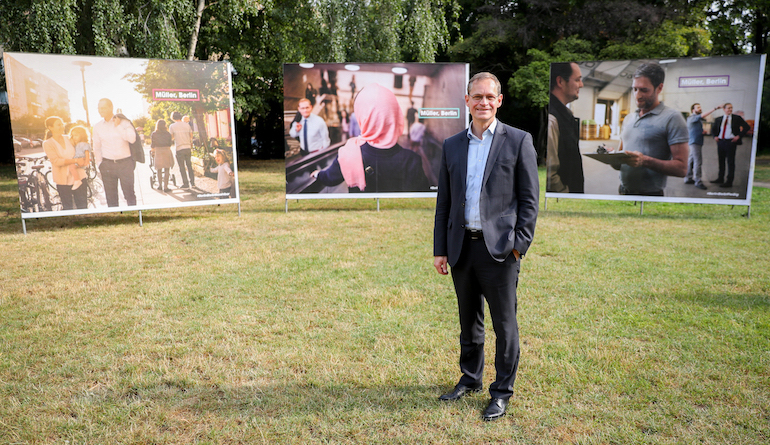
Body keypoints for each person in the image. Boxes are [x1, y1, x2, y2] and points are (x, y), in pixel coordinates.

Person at [433, 72, 539, 421]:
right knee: (469, 321)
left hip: (500, 251)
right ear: (466, 101)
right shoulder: (452, 145)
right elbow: (444, 203)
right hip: (462, 247)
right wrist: (441, 248)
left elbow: (529, 200)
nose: (483, 102)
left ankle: (501, 393)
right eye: (476, 96)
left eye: (489, 97)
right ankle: (470, 378)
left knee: (505, 325)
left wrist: (518, 246)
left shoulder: (519, 141)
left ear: (499, 100)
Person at [310, 83, 429, 193]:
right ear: (395, 115)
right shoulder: (411, 160)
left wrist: (317, 174)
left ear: (361, 116)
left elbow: (330, 178)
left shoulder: (349, 152)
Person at [614, 63, 688, 196]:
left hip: (650, 195)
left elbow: (681, 169)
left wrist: (645, 161)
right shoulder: (629, 118)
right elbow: (620, 161)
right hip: (623, 191)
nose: (637, 95)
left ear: (659, 88)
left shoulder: (672, 118)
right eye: (635, 89)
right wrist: (611, 157)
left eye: (644, 90)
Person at [547, 62, 585, 193]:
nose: (581, 85)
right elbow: (549, 174)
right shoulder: (552, 119)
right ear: (560, 81)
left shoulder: (565, 115)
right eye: (577, 79)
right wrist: (565, 194)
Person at [93, 98, 137, 206]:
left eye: (103, 108)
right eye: (99, 108)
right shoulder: (97, 127)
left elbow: (132, 139)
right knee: (111, 198)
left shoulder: (124, 122)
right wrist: (100, 164)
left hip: (125, 164)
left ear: (111, 107)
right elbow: (97, 147)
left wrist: (119, 127)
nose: (100, 110)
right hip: (107, 165)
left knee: (129, 195)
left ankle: (133, 218)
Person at [42, 116, 88, 210]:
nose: (62, 126)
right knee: (68, 207)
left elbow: (82, 149)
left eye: (62, 124)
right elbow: (56, 161)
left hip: (79, 176)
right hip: (63, 180)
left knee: (83, 206)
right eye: (58, 125)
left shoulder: (69, 138)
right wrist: (75, 160)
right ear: (50, 127)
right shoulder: (48, 143)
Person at [710, 102, 750, 188]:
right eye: (728, 108)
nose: (730, 110)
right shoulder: (718, 119)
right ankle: (720, 178)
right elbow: (713, 129)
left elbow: (747, 127)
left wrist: (738, 136)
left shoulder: (737, 118)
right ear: (724, 109)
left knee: (730, 162)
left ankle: (729, 181)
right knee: (721, 161)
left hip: (730, 142)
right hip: (721, 142)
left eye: (731, 108)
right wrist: (715, 136)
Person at [685, 103, 720, 190]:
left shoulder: (696, 119)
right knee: (698, 161)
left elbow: (694, 129)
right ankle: (698, 181)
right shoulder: (692, 118)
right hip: (695, 142)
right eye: (698, 107)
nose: (700, 108)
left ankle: (688, 178)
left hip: (695, 141)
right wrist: (715, 108)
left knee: (691, 160)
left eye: (700, 107)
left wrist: (702, 131)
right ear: (693, 110)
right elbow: (703, 115)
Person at [169, 111, 195, 188]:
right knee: (189, 165)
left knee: (182, 167)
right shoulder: (187, 125)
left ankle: (185, 183)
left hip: (179, 148)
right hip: (187, 147)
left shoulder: (172, 126)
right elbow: (191, 136)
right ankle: (192, 183)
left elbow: (172, 137)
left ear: (173, 117)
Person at [150, 119, 174, 192]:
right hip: (166, 150)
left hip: (158, 151)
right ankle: (166, 187)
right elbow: (170, 144)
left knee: (159, 169)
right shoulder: (168, 134)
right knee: (167, 168)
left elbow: (152, 145)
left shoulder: (154, 134)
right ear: (165, 125)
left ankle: (160, 185)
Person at [67, 126, 91, 191]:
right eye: (73, 135)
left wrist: (87, 161)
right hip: (78, 160)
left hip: (81, 159)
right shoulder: (78, 144)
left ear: (82, 135)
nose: (74, 137)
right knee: (71, 167)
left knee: (71, 167)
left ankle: (77, 180)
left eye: (76, 135)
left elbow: (87, 153)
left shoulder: (84, 144)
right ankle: (77, 180)